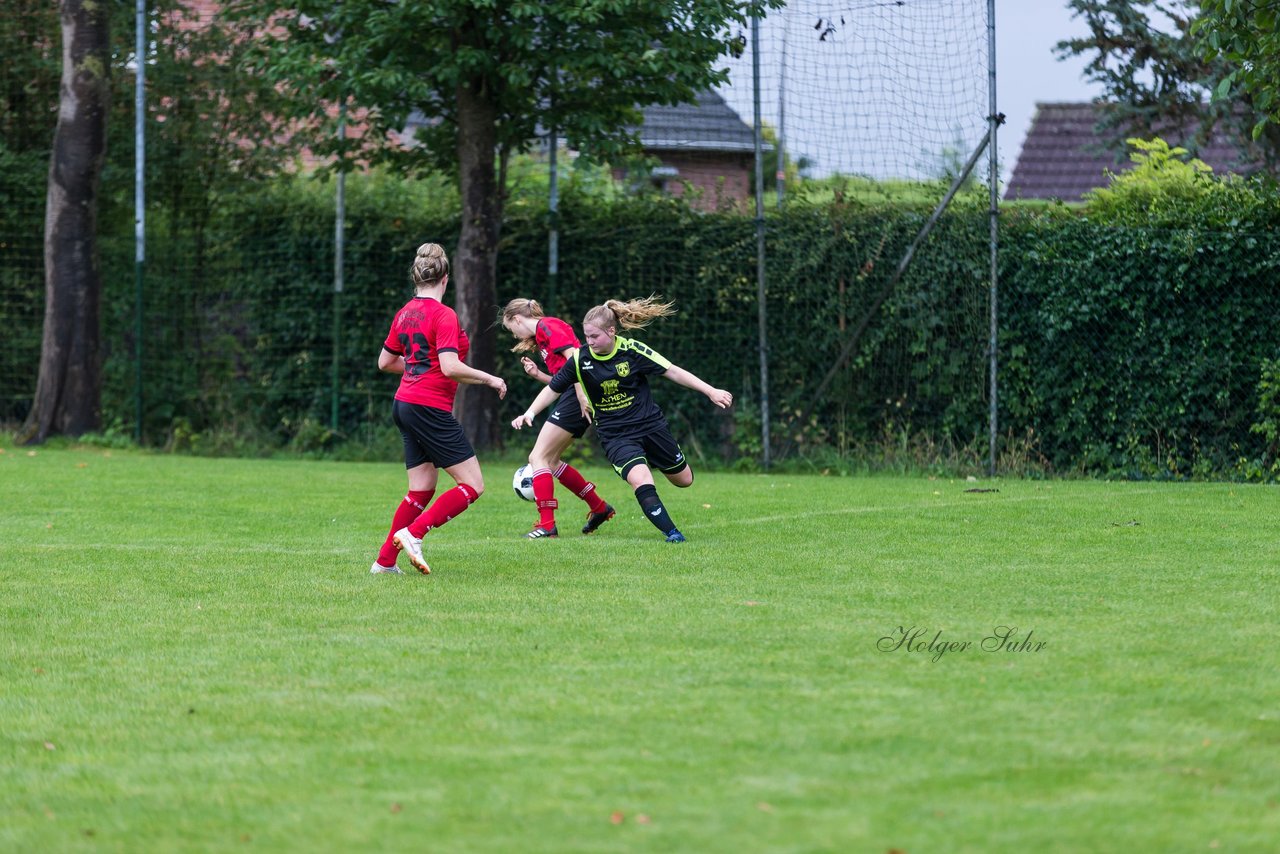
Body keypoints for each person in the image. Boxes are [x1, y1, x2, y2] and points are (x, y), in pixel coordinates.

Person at [511, 296, 732, 543]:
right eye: (586, 336)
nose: (589, 342)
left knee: (684, 480)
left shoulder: (632, 351)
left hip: (651, 426)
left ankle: (650, 465)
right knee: (641, 479)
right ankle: (673, 533)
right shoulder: (580, 360)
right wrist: (529, 413)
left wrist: (711, 391)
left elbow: (672, 370)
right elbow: (553, 388)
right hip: (617, 435)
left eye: (595, 336)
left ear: (611, 331)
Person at [370, 242, 507, 575]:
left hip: (404, 404)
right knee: (473, 485)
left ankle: (385, 562)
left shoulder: (404, 312)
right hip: (428, 406)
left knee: (421, 488)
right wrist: (489, 379)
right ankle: (414, 534)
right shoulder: (443, 315)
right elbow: (449, 366)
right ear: (446, 278)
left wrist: (419, 367)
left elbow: (385, 362)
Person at [501, 298, 616, 539]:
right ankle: (599, 507)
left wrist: (582, 395)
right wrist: (539, 375)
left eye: (512, 329)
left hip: (577, 399)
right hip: (573, 396)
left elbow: (576, 358)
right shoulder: (543, 336)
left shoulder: (548, 326)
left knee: (538, 457)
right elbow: (562, 381)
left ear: (517, 319)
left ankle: (547, 524)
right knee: (550, 462)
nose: (515, 335)